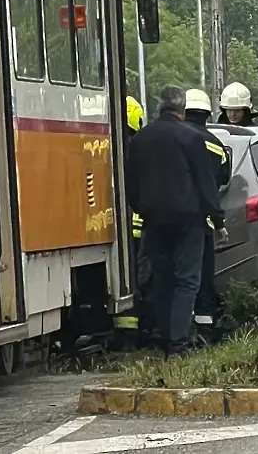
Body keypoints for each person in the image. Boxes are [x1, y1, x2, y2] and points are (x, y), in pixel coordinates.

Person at [125, 85, 226, 357]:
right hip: (189, 221)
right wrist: (217, 220)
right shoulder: (191, 138)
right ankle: (177, 345)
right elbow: (205, 182)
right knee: (186, 281)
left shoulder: (141, 139)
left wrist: (142, 208)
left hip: (154, 220)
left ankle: (163, 337)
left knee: (162, 280)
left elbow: (130, 184)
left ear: (160, 107)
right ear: (182, 109)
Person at [184, 89, 231, 339]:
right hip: (202, 222)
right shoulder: (217, 146)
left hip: (166, 220)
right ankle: (204, 330)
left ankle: (175, 331)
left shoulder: (174, 139)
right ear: (207, 114)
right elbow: (222, 181)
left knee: (177, 277)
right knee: (201, 277)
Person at [113, 96, 146, 346]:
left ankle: (125, 335)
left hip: (116, 229)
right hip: (139, 228)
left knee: (125, 279)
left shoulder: (108, 145)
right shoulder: (138, 149)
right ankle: (135, 335)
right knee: (139, 279)